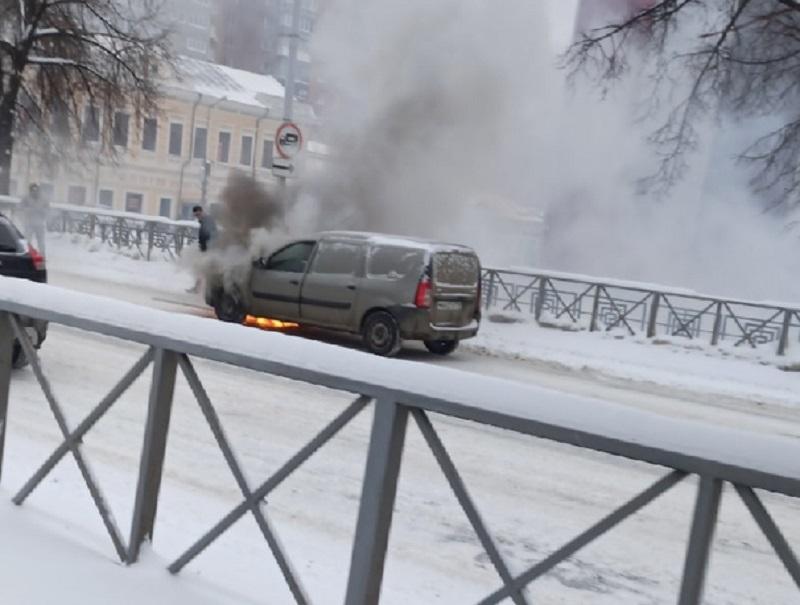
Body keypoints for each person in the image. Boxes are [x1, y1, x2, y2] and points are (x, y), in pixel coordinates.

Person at [187, 204, 217, 293]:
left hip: (209, 249)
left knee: (205, 270)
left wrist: (206, 247)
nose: (197, 217)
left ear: (201, 212)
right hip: (207, 249)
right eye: (196, 215)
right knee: (202, 269)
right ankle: (199, 288)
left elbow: (211, 235)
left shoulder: (207, 221)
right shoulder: (205, 221)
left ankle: (204, 289)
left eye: (198, 215)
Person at [19, 183, 50, 255]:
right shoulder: (26, 198)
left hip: (39, 224)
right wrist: (28, 210)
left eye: (36, 190)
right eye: (33, 190)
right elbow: (20, 208)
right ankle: (26, 253)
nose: (35, 192)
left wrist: (42, 211)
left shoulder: (43, 199)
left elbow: (48, 209)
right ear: (30, 191)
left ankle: (42, 254)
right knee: (27, 239)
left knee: (41, 241)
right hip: (29, 223)